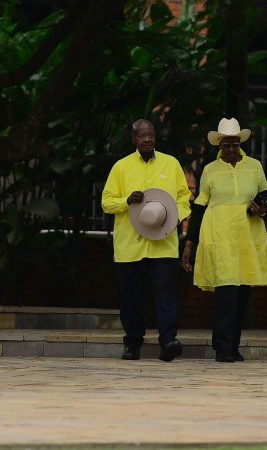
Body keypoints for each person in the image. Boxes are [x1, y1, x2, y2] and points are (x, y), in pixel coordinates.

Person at [181, 117, 267, 363]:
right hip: (219, 236)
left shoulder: (254, 166)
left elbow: (266, 194)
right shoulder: (210, 170)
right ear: (219, 146)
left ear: (240, 143)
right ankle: (222, 347)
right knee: (226, 294)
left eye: (234, 144)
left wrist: (261, 209)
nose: (231, 149)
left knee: (243, 294)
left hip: (247, 237)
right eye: (226, 145)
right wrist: (190, 243)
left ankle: (233, 346)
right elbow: (200, 205)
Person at [101, 119, 191, 361]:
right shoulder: (121, 167)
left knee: (165, 293)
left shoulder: (171, 164)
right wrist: (126, 201)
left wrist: (172, 217)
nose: (147, 139)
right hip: (130, 246)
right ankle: (132, 343)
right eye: (142, 136)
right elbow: (106, 202)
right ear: (134, 139)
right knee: (131, 296)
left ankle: (168, 342)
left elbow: (184, 198)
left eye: (150, 135)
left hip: (163, 243)